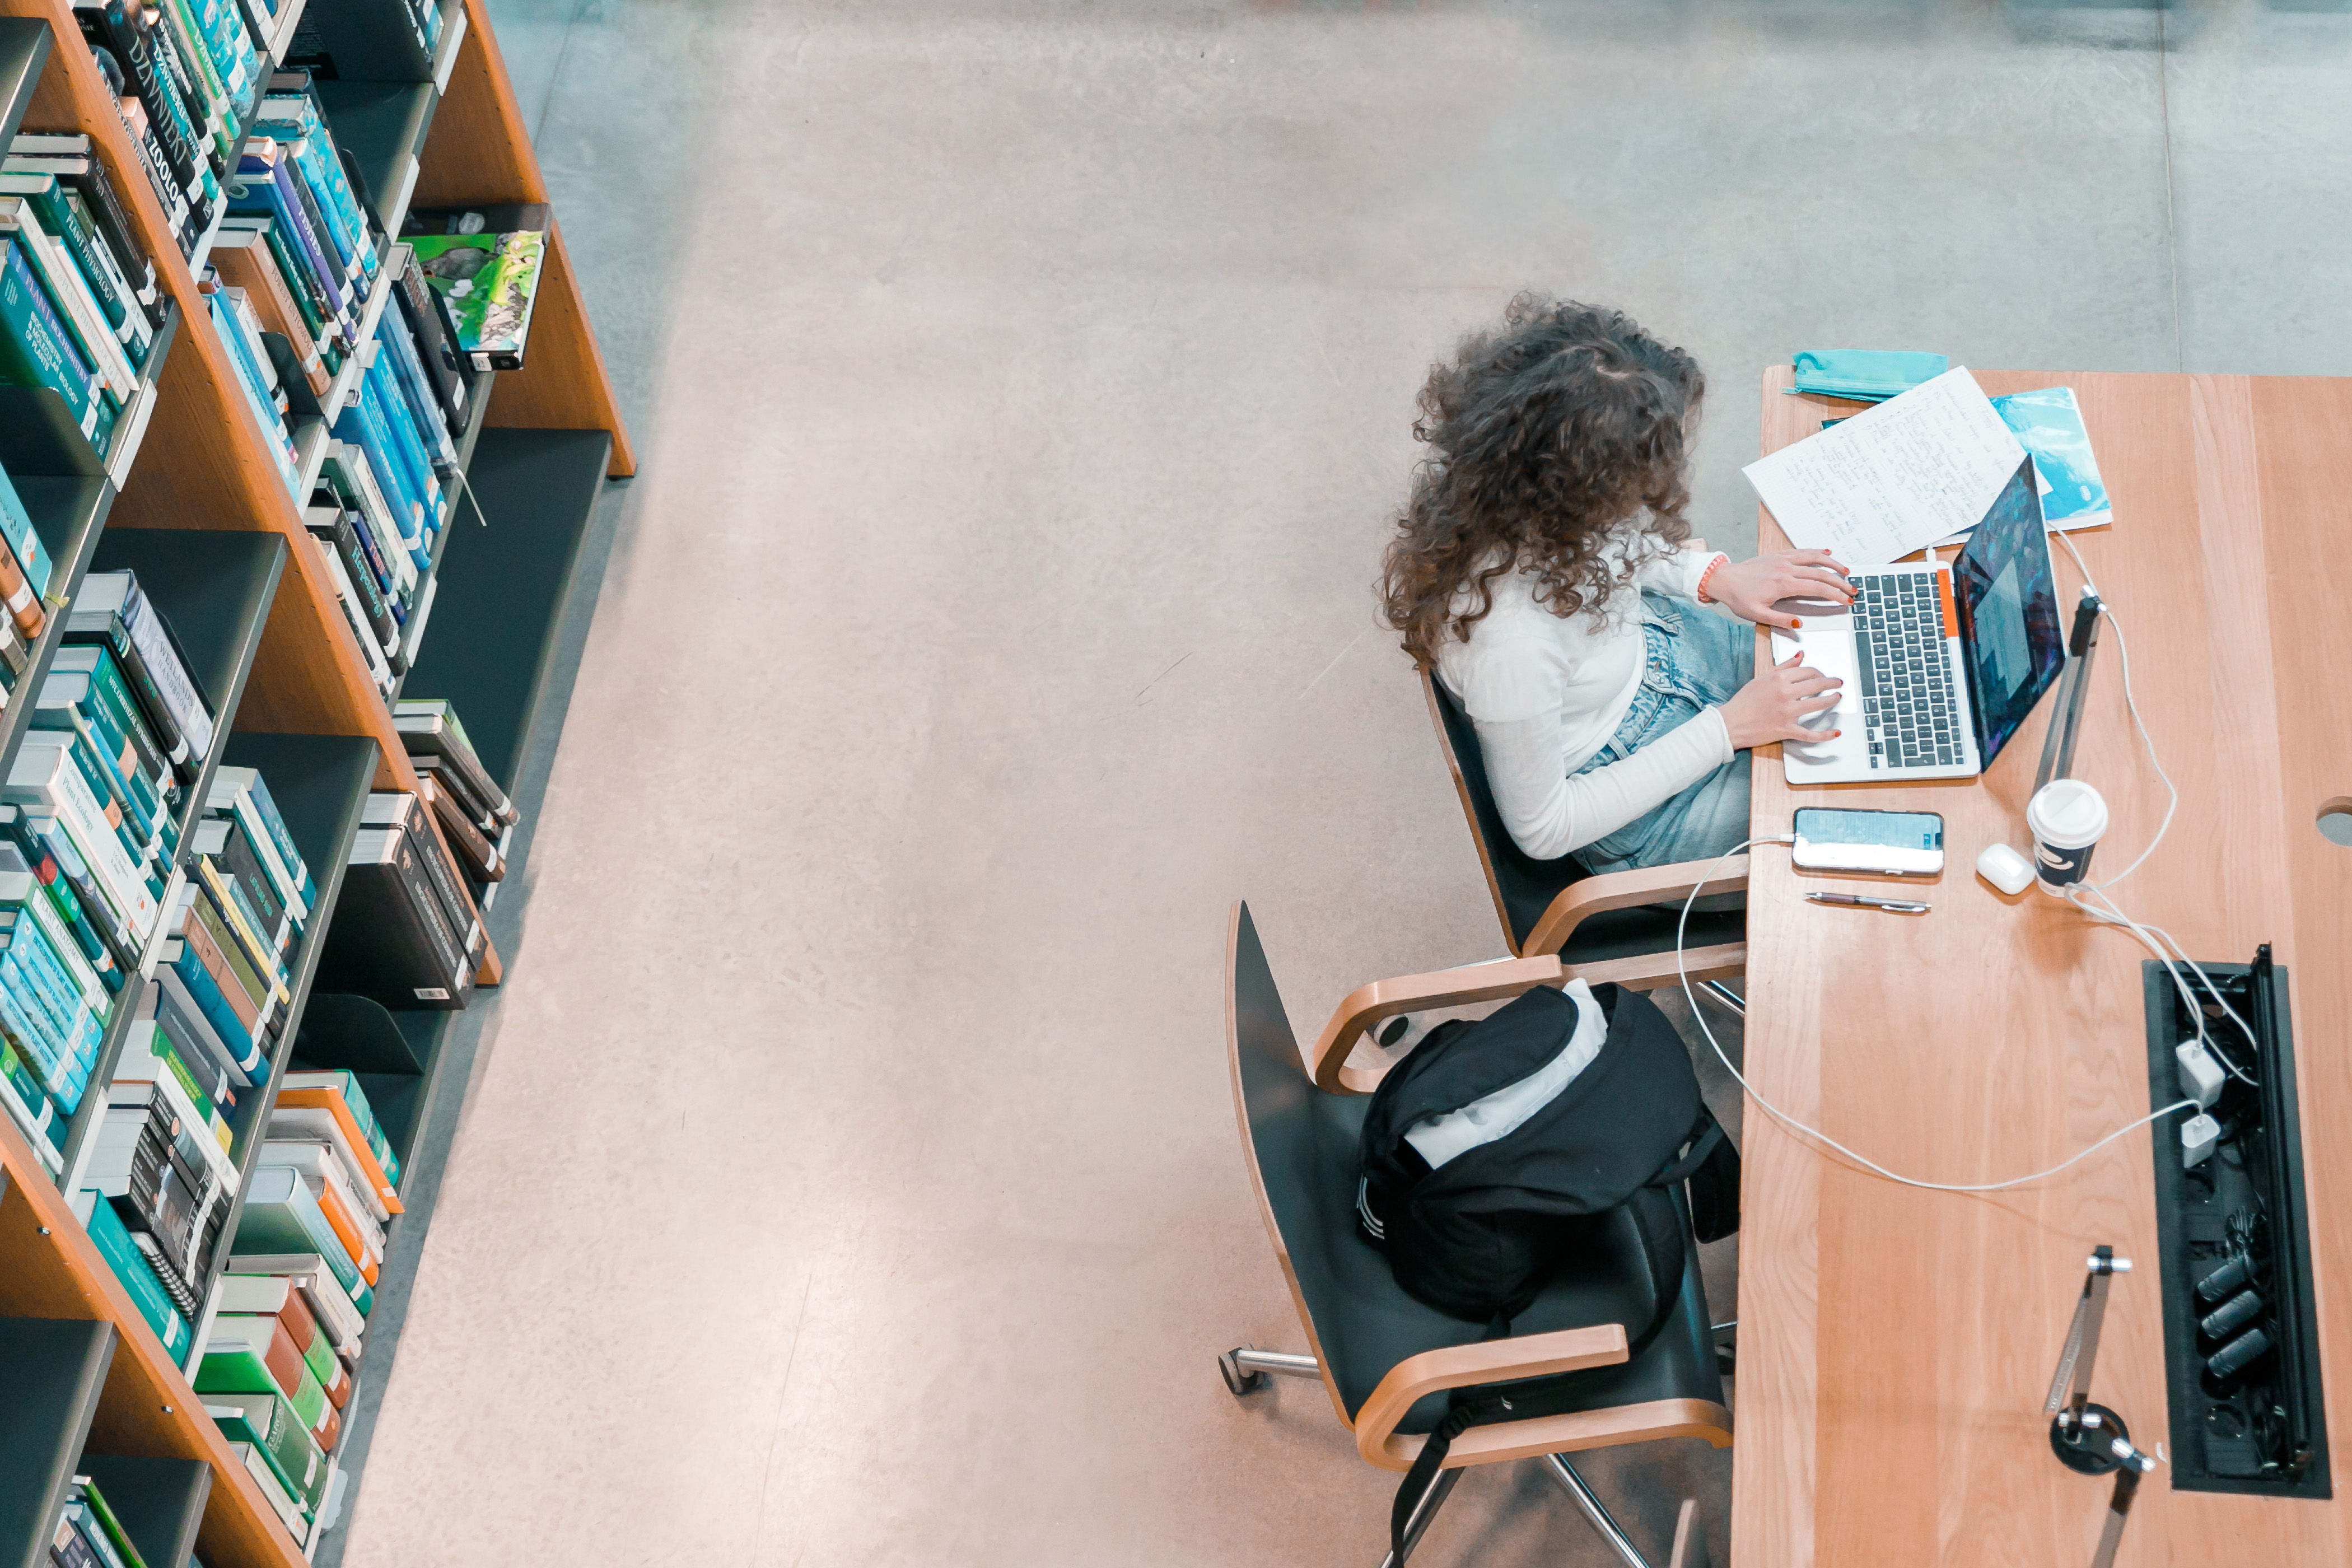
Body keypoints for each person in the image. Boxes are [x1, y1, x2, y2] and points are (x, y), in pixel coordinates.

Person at [1380, 296, 1854, 874]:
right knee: (1851, 797)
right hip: (1638, 797)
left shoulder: (1515, 500)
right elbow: (1543, 829)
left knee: (1868, 683)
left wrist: (1711, 576)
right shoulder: (1513, 647)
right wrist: (1728, 728)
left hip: (1658, 653)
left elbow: (1612, 541)